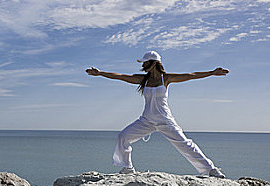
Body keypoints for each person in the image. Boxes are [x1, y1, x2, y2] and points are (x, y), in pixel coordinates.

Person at [86, 50, 228, 178]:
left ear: (154, 63)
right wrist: (100, 73)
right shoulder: (144, 79)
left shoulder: (166, 78)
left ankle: (211, 169)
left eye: (146, 62)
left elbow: (191, 75)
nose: (143, 65)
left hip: (164, 120)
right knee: (123, 136)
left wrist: (211, 72)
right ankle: (127, 168)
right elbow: (122, 76)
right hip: (146, 120)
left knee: (185, 144)